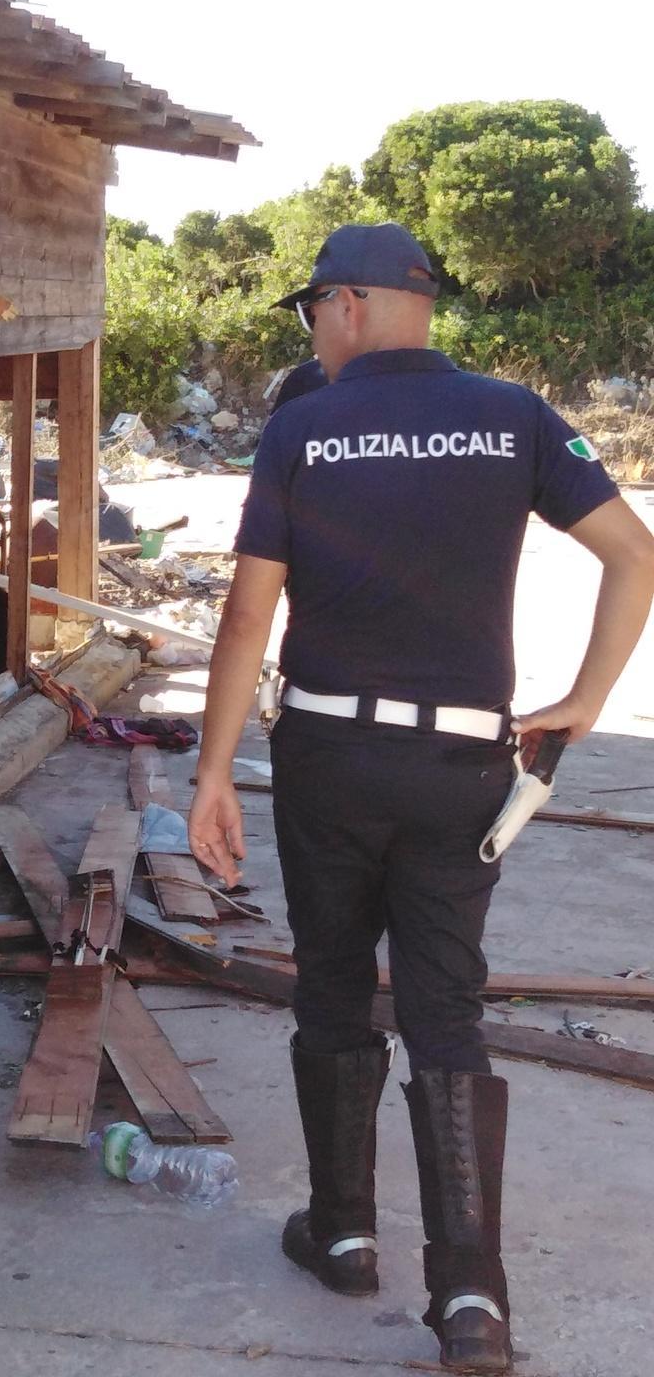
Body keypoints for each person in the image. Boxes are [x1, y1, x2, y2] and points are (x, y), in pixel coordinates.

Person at [188, 222, 654, 1373]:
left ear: (345, 305)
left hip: (330, 756)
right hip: (460, 767)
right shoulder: (515, 417)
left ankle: (343, 1234)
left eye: (310, 311)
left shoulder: (303, 427)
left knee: (335, 986)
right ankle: (470, 1304)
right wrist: (581, 701)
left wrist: (210, 771)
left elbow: (249, 617)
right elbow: (635, 555)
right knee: (445, 1009)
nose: (313, 332)